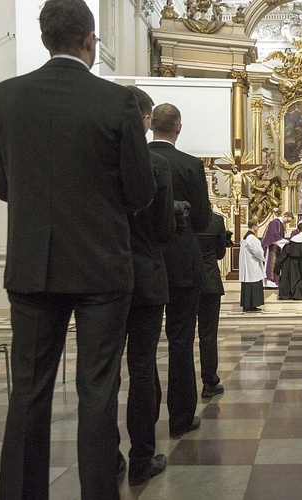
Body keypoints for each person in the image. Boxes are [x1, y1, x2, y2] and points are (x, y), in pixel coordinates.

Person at [0, 1, 157, 497]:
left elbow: (2, 184)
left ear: (44, 40)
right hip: (101, 266)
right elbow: (140, 190)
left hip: (32, 266)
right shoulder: (117, 102)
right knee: (98, 391)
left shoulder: (7, 95)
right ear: (90, 41)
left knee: (29, 392)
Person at [117, 85, 176, 486]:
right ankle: (141, 458)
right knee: (141, 369)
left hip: (102, 276)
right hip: (146, 276)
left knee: (101, 372)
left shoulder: (98, 159)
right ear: (144, 119)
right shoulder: (156, 166)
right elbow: (164, 230)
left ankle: (106, 457)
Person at [149, 103, 212, 439]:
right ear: (178, 128)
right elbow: (202, 220)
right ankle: (181, 418)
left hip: (144, 260)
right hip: (183, 263)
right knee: (181, 340)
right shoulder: (189, 165)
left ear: (150, 126)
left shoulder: (136, 159)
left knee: (141, 348)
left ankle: (144, 425)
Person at [196, 211, 227, 398]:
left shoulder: (181, 218)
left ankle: (183, 389)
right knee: (208, 335)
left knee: (180, 338)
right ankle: (209, 381)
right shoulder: (216, 220)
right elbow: (220, 254)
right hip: (209, 282)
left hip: (184, 280)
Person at [240, 219, 266, 312]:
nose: (258, 227)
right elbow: (257, 251)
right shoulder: (252, 238)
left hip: (249, 264)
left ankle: (248, 305)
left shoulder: (245, 237)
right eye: (257, 226)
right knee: (253, 283)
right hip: (252, 264)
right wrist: (263, 258)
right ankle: (251, 305)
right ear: (254, 226)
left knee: (248, 283)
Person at [261, 211, 293, 288]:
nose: (288, 223)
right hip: (272, 247)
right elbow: (274, 236)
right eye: (288, 220)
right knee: (271, 263)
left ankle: (274, 281)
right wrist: (285, 242)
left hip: (277, 247)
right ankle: (269, 282)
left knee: (275, 263)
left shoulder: (281, 224)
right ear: (285, 216)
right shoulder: (274, 223)